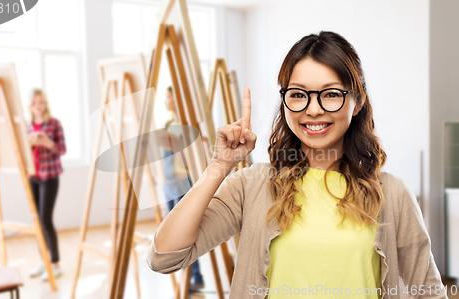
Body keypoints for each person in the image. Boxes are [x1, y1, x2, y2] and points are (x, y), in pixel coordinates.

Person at [146, 31, 448, 299]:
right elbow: (164, 257)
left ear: (357, 102)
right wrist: (218, 166)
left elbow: (430, 291)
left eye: (331, 94)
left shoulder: (392, 194)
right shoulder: (253, 185)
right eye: (298, 95)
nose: (313, 110)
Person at [159, 86, 205, 292]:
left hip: (182, 185)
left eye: (169, 97)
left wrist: (177, 147)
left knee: (183, 235)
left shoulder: (187, 126)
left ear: (178, 98)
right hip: (168, 184)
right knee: (171, 234)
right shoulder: (168, 124)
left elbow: (193, 160)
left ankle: (194, 277)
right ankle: (186, 275)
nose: (165, 101)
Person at [26, 89, 67, 281]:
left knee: (46, 220)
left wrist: (47, 142)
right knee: (37, 221)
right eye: (35, 103)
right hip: (32, 176)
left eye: (41, 102)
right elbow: (23, 151)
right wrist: (31, 143)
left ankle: (55, 263)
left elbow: (62, 149)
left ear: (45, 104)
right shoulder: (27, 127)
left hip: (49, 177)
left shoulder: (54, 124)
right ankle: (43, 260)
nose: (38, 106)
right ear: (31, 106)